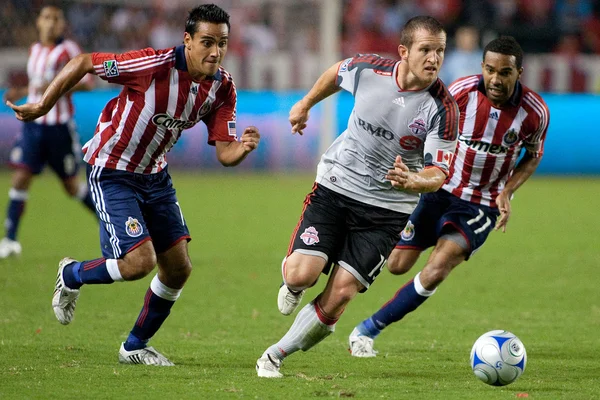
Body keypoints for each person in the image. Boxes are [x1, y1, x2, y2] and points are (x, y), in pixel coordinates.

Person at [7, 4, 260, 366]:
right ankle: (71, 274)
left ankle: (134, 346)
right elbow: (84, 63)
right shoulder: (151, 65)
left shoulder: (223, 88)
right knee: (139, 262)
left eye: (222, 43)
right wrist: (45, 104)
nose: (216, 51)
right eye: (207, 42)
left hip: (155, 177)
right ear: (187, 40)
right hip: (113, 170)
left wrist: (243, 148)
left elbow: (224, 152)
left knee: (178, 269)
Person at [255, 16, 459, 378]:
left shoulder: (442, 109)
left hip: (387, 209)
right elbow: (336, 73)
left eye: (440, 50)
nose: (434, 58)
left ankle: (274, 355)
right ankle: (293, 283)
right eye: (425, 49)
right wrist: (305, 104)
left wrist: (413, 180)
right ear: (403, 52)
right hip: (337, 186)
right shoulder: (369, 69)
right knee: (303, 275)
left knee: (342, 295)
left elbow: (439, 173)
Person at [348, 36, 550, 358]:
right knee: (397, 265)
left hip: (480, 205)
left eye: (505, 73)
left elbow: (534, 154)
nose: (496, 79)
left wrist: (508, 192)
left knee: (436, 268)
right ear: (482, 67)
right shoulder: (459, 93)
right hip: (440, 190)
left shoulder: (535, 112)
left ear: (519, 72)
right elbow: (427, 128)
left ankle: (367, 330)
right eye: (490, 70)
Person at [0, 5, 96, 258]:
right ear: (38, 23)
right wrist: (22, 93)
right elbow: (37, 85)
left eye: (56, 19)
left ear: (62, 24)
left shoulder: (69, 50)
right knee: (21, 177)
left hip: (59, 128)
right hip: (33, 127)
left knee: (72, 187)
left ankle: (108, 222)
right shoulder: (35, 50)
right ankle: (10, 239)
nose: (51, 23)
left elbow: (88, 83)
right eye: (46, 18)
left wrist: (57, 87)